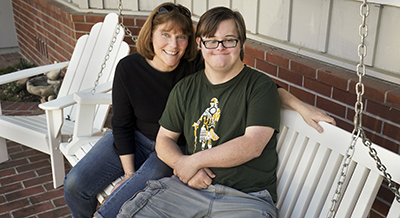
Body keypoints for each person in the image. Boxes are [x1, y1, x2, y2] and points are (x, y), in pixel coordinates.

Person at [64, 3, 335, 218]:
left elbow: (257, 107)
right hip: (145, 148)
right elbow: (129, 127)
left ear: (241, 44)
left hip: (213, 180)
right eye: (166, 35)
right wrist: (130, 173)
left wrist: (300, 106)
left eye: (182, 37)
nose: (174, 44)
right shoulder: (139, 71)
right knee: (76, 184)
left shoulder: (202, 69)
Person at [117, 6, 280, 218]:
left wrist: (192, 162)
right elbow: (164, 138)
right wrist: (185, 170)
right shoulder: (185, 88)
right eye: (211, 40)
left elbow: (252, 145)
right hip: (187, 191)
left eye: (229, 39)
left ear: (241, 44)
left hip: (245, 199)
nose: (220, 47)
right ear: (200, 44)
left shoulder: (260, 86)